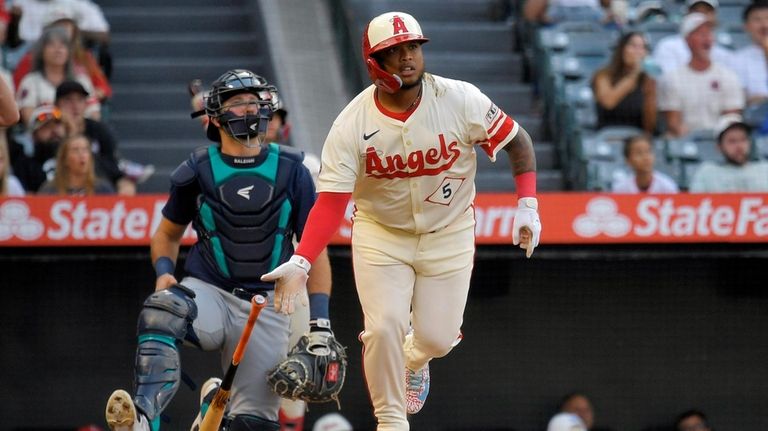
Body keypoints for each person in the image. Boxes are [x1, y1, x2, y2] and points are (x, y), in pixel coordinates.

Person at [261, 11, 542, 431]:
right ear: (375, 62)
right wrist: (302, 261)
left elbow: (519, 142)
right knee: (384, 327)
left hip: (449, 230)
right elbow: (333, 201)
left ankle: (413, 359)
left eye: (412, 47)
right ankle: (391, 420)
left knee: (438, 338)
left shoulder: (459, 98)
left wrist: (528, 205)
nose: (407, 57)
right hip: (381, 234)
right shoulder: (351, 124)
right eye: (394, 51)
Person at [103, 69, 333, 431]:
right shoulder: (195, 168)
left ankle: (213, 415)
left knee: (255, 424)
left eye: (255, 102)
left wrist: (321, 323)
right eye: (239, 103)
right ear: (216, 116)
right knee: (163, 309)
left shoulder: (296, 169)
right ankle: (144, 417)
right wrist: (164, 270)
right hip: (209, 291)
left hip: (270, 303)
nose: (250, 109)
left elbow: (314, 251)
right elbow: (166, 235)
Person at [657, 12, 744, 137]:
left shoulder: (728, 76)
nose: (707, 38)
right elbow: (673, 121)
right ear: (688, 40)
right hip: (686, 141)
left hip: (721, 140)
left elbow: (732, 119)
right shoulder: (672, 78)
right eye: (701, 34)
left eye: (709, 33)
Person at [55, 80, 143, 195]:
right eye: (68, 100)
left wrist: (123, 182)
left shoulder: (98, 129)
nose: (75, 106)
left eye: (80, 100)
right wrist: (70, 132)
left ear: (86, 104)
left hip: (96, 186)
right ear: (57, 105)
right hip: (61, 188)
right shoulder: (50, 131)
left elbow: (111, 164)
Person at [15, 26, 100, 127]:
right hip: (44, 136)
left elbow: (94, 114)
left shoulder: (82, 80)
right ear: (41, 51)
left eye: (63, 45)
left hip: (79, 136)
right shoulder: (30, 81)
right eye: (51, 45)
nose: (58, 49)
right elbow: (29, 118)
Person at [592, 31, 657, 134]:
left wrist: (650, 94)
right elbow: (608, 102)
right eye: (633, 46)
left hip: (637, 138)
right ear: (622, 49)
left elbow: (650, 126)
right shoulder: (603, 75)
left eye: (642, 47)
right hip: (609, 136)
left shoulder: (647, 80)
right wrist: (634, 74)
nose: (638, 52)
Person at [689, 113, 768, 192]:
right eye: (732, 141)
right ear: (719, 147)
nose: (739, 146)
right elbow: (694, 201)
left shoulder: (765, 169)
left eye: (743, 139)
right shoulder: (707, 173)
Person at [651, 0, 733, 76]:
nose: (701, 17)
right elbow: (669, 82)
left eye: (706, 12)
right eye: (696, 11)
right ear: (687, 14)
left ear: (714, 16)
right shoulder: (667, 46)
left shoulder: (724, 53)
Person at [10, 104, 68, 192]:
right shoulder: (25, 165)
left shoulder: (75, 158)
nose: (54, 131)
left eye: (57, 125)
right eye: (47, 126)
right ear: (34, 134)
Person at [37, 133, 114, 195]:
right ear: (65, 159)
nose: (82, 155)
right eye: (75, 150)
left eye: (85, 150)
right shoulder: (50, 190)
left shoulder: (103, 189)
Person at [729, 1, 768, 107]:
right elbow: (737, 96)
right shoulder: (737, 59)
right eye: (757, 20)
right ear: (746, 26)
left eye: (767, 18)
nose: (764, 25)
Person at [611, 134, 678, 192]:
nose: (645, 157)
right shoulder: (620, 189)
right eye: (639, 153)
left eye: (648, 151)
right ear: (628, 160)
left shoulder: (667, 186)